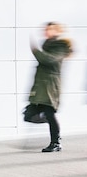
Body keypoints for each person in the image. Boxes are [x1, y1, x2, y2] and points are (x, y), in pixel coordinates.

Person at [26, 22, 72, 152]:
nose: (46, 31)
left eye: (50, 29)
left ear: (58, 31)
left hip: (51, 87)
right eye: (46, 29)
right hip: (41, 87)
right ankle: (52, 126)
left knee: (50, 114)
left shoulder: (61, 46)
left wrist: (35, 51)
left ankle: (55, 142)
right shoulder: (47, 46)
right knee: (28, 115)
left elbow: (49, 60)